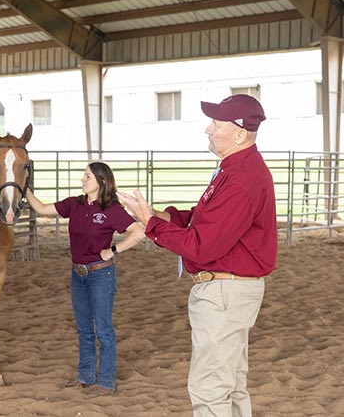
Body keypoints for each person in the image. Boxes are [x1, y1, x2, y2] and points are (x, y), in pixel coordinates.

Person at [118, 94, 275, 416]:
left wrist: (151, 224)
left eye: (216, 124)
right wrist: (154, 217)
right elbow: (202, 220)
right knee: (229, 382)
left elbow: (202, 245)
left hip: (224, 291)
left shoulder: (241, 179)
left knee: (209, 386)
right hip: (231, 289)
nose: (208, 129)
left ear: (239, 134)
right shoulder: (236, 172)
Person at [26, 162, 144, 397]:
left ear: (101, 181)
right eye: (84, 176)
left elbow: (139, 231)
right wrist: (23, 186)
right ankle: (86, 376)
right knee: (83, 328)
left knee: (103, 329)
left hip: (101, 273)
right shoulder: (75, 204)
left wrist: (114, 250)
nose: (83, 179)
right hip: (77, 274)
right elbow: (41, 208)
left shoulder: (111, 209)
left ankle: (106, 381)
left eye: (87, 176)